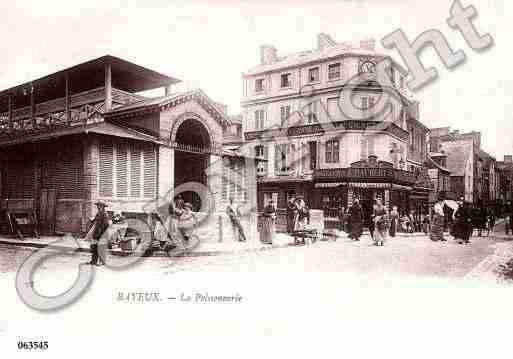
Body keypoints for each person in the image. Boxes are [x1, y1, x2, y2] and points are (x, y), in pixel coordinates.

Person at [89, 201, 110, 266]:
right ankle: (94, 261)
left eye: (100, 206)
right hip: (96, 233)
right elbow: (95, 220)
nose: (98, 207)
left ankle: (102, 262)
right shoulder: (98, 213)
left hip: (102, 233)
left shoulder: (105, 214)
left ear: (103, 207)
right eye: (98, 205)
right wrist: (91, 220)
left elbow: (106, 225)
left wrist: (101, 233)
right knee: (94, 247)